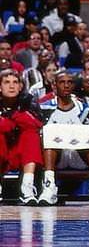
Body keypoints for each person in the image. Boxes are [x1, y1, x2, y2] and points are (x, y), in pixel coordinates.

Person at [39, 70, 89, 205]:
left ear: (74, 86)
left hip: (79, 156)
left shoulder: (84, 110)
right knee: (48, 137)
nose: (66, 86)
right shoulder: (45, 108)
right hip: (54, 157)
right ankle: (49, 187)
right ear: (54, 85)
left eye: (69, 82)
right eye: (62, 82)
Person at [0, 69, 43, 204]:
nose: (11, 86)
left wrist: (14, 116)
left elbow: (36, 125)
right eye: (6, 82)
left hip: (23, 154)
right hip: (3, 153)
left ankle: (27, 187)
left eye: (15, 82)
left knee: (31, 134)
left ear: (21, 86)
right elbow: (4, 127)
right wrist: (15, 120)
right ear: (0, 87)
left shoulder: (28, 102)